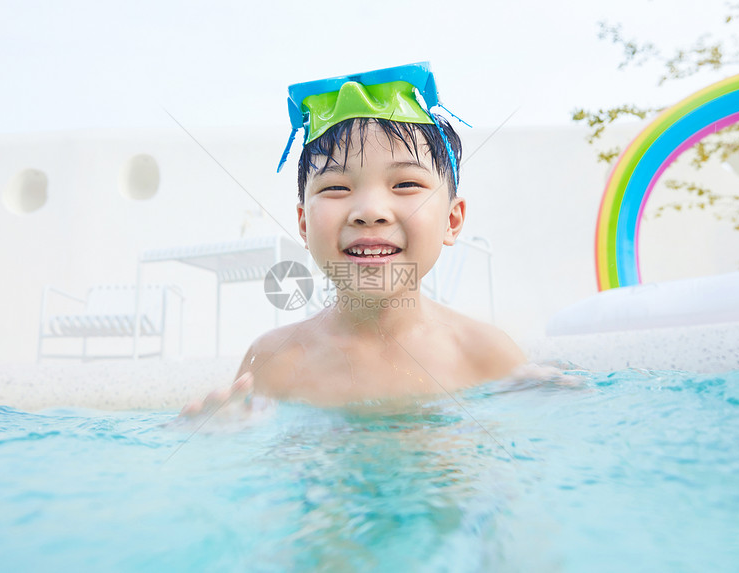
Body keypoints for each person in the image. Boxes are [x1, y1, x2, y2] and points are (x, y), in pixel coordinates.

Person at [181, 62, 526, 416]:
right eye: (336, 187)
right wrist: (212, 436)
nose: (370, 210)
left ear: (452, 221)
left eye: (405, 184)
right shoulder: (274, 363)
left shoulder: (487, 356)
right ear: (303, 224)